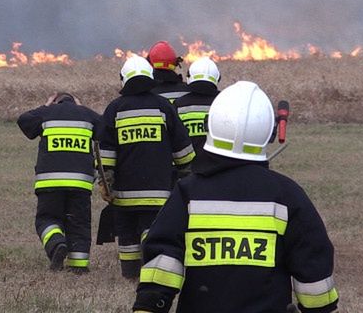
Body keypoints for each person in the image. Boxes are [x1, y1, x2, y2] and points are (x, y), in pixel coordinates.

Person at [132, 81, 339, 313]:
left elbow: (163, 263)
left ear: (210, 126)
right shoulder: (288, 196)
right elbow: (314, 277)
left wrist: (149, 306)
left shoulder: (188, 193)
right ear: (267, 133)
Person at [97, 55, 195, 278]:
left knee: (127, 234)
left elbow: (105, 153)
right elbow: (183, 150)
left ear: (124, 79)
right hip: (158, 192)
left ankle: (130, 274)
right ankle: (150, 260)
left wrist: (105, 180)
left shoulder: (115, 109)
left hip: (124, 194)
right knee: (151, 229)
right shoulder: (163, 107)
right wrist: (185, 174)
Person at [17, 92, 101, 273]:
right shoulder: (86, 114)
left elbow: (23, 120)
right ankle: (79, 268)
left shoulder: (47, 113)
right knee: (79, 223)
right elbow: (106, 129)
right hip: (80, 184)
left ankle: (56, 244)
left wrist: (45, 107)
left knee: (47, 219)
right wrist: (82, 109)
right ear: (75, 102)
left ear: (55, 102)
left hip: (50, 183)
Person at [174, 57, 221, 158]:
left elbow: (174, 140)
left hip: (189, 167)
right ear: (217, 78)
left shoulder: (179, 104)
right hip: (218, 167)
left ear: (189, 77)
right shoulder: (225, 102)